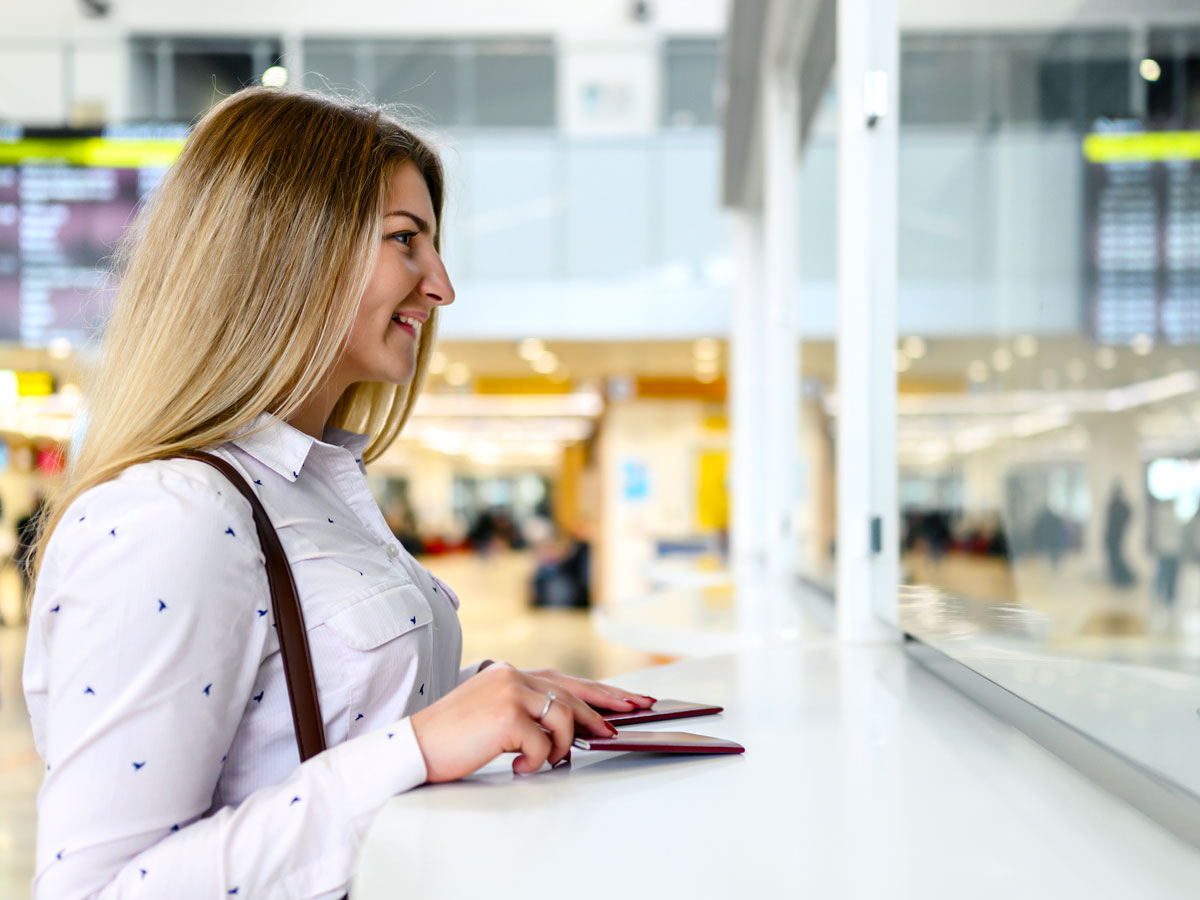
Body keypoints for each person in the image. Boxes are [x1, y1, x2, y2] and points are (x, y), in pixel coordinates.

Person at [21, 87, 653, 900]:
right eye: (405, 242)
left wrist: (489, 701)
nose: (441, 287)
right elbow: (100, 889)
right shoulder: (173, 516)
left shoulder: (310, 489)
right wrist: (420, 745)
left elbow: (292, 733)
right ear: (290, 250)